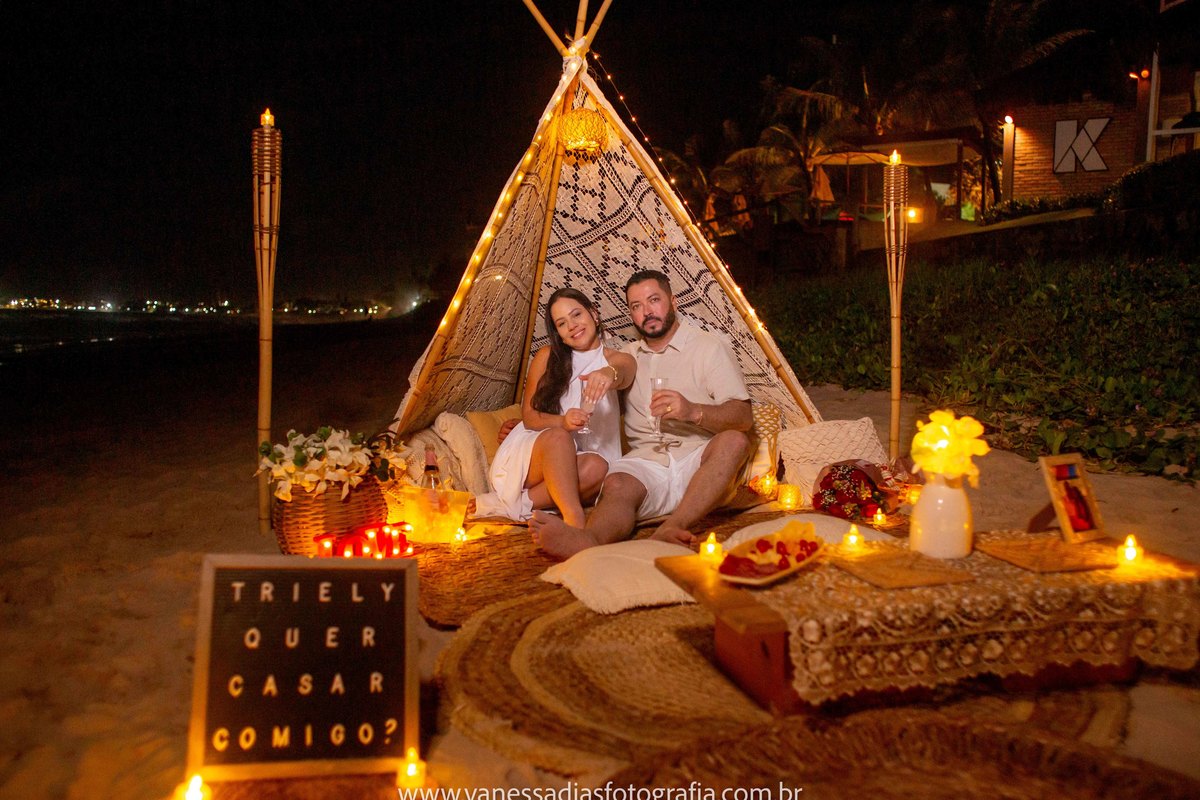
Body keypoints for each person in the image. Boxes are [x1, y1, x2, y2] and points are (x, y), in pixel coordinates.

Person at [531, 270, 753, 558]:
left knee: (734, 441)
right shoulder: (627, 355)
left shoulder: (707, 347)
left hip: (697, 458)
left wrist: (692, 411)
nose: (646, 312)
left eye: (653, 300)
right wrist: (527, 424)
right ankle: (588, 541)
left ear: (673, 302)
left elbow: (743, 416)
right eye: (636, 306)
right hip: (646, 463)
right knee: (618, 482)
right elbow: (615, 375)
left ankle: (672, 527)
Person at [472, 288, 635, 527]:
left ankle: (513, 504)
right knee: (561, 438)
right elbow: (529, 417)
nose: (572, 325)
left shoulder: (616, 359)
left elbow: (625, 371)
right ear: (558, 333)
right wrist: (563, 422)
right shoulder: (547, 356)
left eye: (577, 314)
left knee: (599, 467)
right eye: (562, 323)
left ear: (594, 313)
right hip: (534, 454)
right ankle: (575, 522)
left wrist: (607, 373)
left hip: (580, 464)